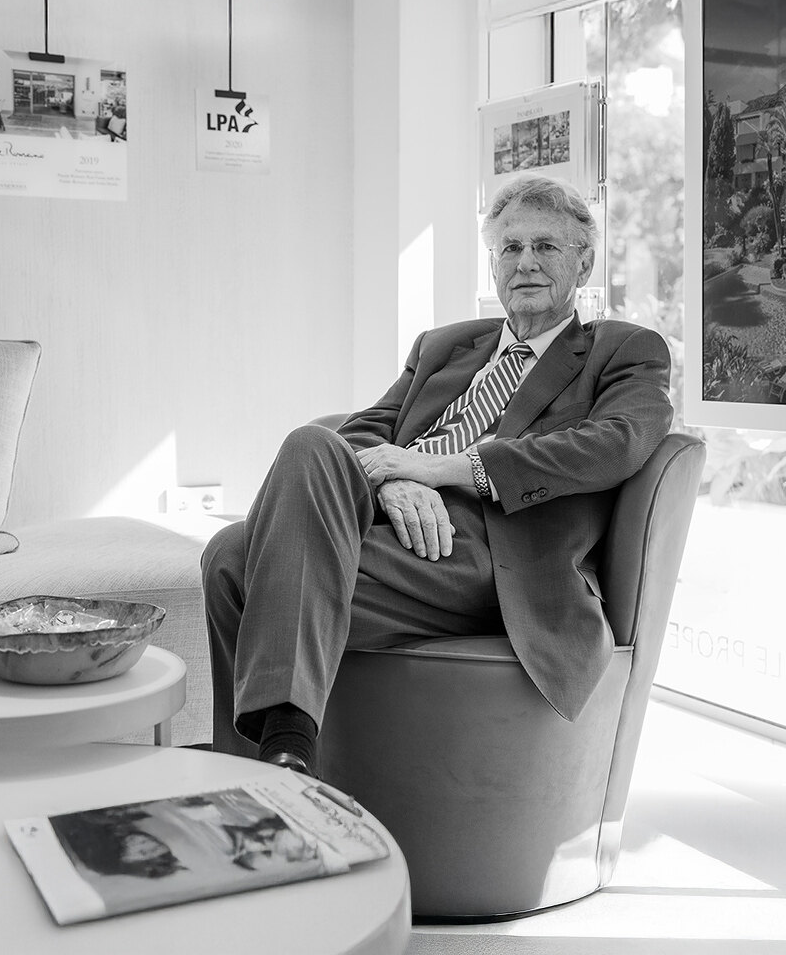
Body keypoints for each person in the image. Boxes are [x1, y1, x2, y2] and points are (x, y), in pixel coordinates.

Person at [202, 172, 673, 778]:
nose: (524, 262)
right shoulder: (444, 347)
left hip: (486, 554)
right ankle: (279, 764)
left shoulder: (623, 349)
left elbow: (616, 443)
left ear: (583, 264)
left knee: (235, 561)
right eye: (509, 248)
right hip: (388, 528)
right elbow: (367, 430)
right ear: (493, 264)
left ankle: (258, 778)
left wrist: (444, 468)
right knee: (304, 454)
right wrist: (394, 480)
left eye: (545, 247)